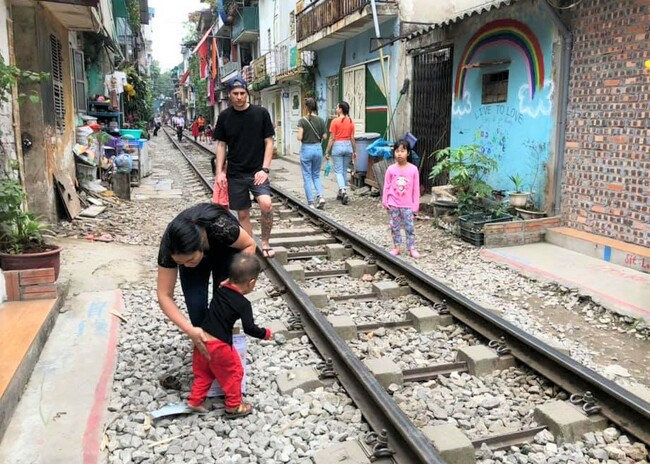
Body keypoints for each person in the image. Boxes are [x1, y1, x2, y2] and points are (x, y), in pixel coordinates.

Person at [157, 203, 257, 359]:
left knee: (223, 305)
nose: (186, 265)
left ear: (200, 245)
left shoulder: (222, 228)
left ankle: (224, 351)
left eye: (189, 260)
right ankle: (206, 351)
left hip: (225, 253)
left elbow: (250, 244)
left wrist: (235, 279)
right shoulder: (170, 247)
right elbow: (164, 295)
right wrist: (190, 330)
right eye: (181, 263)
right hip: (196, 254)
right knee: (196, 308)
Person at [187, 253, 271, 417]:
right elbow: (250, 328)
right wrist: (265, 334)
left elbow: (224, 283)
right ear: (251, 283)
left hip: (201, 340)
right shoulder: (243, 304)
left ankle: (194, 401)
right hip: (219, 346)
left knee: (204, 373)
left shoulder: (220, 289)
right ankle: (233, 406)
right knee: (234, 373)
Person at [214, 76, 276, 258]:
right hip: (235, 173)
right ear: (230, 96)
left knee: (266, 204)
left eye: (242, 93)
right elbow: (221, 146)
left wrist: (265, 169)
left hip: (257, 171)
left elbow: (269, 142)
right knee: (242, 214)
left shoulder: (261, 113)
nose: (239, 97)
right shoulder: (224, 117)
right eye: (235, 94)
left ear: (247, 94)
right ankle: (250, 248)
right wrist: (219, 173)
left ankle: (265, 242)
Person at [382, 139, 421, 259]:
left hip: (408, 204)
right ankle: (397, 247)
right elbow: (387, 186)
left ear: (408, 153)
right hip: (393, 203)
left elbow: (415, 188)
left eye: (402, 151)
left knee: (409, 227)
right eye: (397, 151)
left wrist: (416, 204)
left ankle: (411, 247)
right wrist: (385, 200)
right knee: (394, 226)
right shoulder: (391, 169)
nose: (399, 153)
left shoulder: (413, 169)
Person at [297, 97, 327, 209]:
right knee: (316, 175)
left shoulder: (302, 120)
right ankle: (321, 196)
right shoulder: (321, 120)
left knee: (307, 176)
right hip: (318, 149)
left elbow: (299, 137)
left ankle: (310, 202)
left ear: (306, 107)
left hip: (306, 149)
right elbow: (324, 136)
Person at [324, 101, 356, 205]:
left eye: (337, 107)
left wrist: (327, 151)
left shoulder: (335, 121)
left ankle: (343, 190)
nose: (336, 109)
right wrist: (354, 151)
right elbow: (352, 138)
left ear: (341, 109)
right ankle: (340, 193)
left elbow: (332, 138)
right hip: (348, 146)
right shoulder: (351, 121)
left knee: (338, 171)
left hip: (337, 146)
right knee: (343, 171)